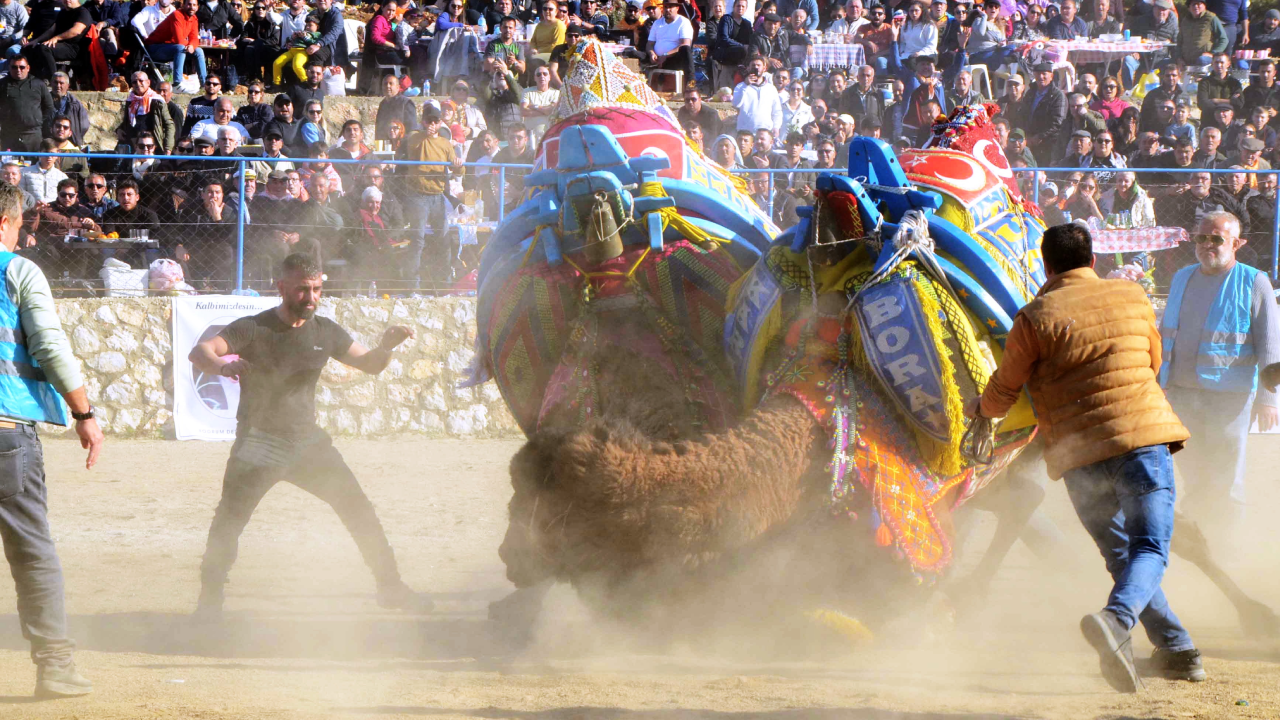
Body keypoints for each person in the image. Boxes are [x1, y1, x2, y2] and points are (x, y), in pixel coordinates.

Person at [966, 222, 1200, 694]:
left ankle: (1176, 649)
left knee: (1121, 553)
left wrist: (981, 411)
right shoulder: (1133, 296)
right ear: (1093, 260)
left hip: (1079, 454)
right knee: (1149, 549)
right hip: (1142, 440)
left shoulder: (1034, 317)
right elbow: (1153, 363)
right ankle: (1119, 623)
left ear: (1046, 265)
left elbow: (1005, 388)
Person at [189, 253, 426, 621]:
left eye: (316, 289)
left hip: (307, 444)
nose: (310, 297)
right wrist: (225, 364)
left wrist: (386, 347)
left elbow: (370, 365)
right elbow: (200, 351)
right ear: (282, 287)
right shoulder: (253, 327)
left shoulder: (325, 331)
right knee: (229, 524)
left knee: (358, 510)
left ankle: (390, 587)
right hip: (259, 443)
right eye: (302, 289)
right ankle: (208, 605)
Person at [0, 182, 103, 698]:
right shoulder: (17, 271)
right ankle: (55, 668)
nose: (21, 236)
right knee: (31, 552)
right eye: (19, 226)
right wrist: (84, 411)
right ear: (5, 222)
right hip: (5, 434)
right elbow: (48, 345)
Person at [1160, 211, 1280, 547]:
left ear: (1237, 243)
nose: (1208, 245)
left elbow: (1271, 341)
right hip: (1181, 394)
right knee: (1192, 472)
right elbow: (1166, 334)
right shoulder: (1182, 277)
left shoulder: (1254, 281)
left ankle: (1226, 547)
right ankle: (1200, 543)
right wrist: (1159, 384)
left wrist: (1268, 397)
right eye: (1202, 238)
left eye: (1217, 239)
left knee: (1227, 478)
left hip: (1228, 398)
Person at [398, 106, 463, 290]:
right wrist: (426, 134)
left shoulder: (445, 143)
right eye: (429, 121)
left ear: (440, 122)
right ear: (423, 121)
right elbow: (415, 151)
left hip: (437, 196)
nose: (432, 124)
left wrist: (458, 164)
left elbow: (459, 169)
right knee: (417, 239)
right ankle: (413, 286)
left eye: (436, 121)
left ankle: (445, 284)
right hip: (417, 196)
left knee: (443, 238)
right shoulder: (415, 138)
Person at [146, 0, 207, 86]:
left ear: (197, 7)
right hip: (155, 48)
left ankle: (205, 84)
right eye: (189, 4)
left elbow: (194, 38)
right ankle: (177, 83)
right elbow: (179, 39)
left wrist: (192, 45)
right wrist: (189, 45)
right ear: (183, 5)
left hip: (172, 47)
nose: (192, 7)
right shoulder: (177, 15)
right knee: (180, 48)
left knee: (199, 51)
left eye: (194, 5)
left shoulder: (194, 19)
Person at [0, 57, 53, 152]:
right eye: (14, 67)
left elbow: (49, 107)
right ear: (9, 68)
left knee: (33, 164)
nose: (18, 70)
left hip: (33, 134)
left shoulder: (39, 84)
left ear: (28, 68)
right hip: (9, 134)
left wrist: (38, 121)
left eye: (22, 67)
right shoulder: (2, 84)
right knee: (9, 165)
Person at [1025, 61, 1066, 159]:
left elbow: (1057, 123)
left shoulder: (1057, 95)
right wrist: (1026, 136)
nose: (1041, 77)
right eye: (1038, 74)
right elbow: (1023, 115)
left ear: (1051, 76)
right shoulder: (1030, 93)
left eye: (1044, 74)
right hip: (1028, 140)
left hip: (1049, 143)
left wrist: (1040, 137)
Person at [733, 55, 782, 136]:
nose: (756, 67)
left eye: (758, 65)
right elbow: (736, 104)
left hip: (765, 133)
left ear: (764, 68)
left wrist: (776, 127)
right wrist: (745, 85)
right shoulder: (740, 86)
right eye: (753, 65)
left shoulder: (771, 88)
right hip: (745, 133)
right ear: (748, 68)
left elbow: (777, 111)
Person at [646, 0, 694, 82]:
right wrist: (651, 54)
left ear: (677, 8)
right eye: (665, 7)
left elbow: (685, 44)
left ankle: (691, 85)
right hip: (657, 59)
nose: (667, 9)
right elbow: (649, 44)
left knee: (686, 49)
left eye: (671, 7)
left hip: (674, 59)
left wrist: (665, 55)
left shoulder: (683, 22)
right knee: (632, 53)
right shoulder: (657, 23)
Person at [274, 12, 321, 86]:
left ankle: (305, 82)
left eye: (310, 25)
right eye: (306, 25)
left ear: (317, 27)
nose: (308, 27)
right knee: (277, 63)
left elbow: (313, 42)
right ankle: (277, 83)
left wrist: (304, 37)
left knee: (296, 65)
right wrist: (292, 37)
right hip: (292, 50)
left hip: (302, 51)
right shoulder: (303, 31)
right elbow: (288, 40)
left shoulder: (317, 34)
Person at [1176, 0, 1228, 67]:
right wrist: (1179, 58)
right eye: (1193, 4)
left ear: (1204, 5)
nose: (1196, 6)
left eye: (1198, 4)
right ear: (1189, 7)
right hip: (1185, 60)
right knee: (1165, 62)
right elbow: (1179, 42)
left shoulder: (1211, 18)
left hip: (1204, 60)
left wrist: (1213, 54)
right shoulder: (1185, 21)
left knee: (1202, 60)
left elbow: (1223, 39)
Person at [713, 0, 751, 91]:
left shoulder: (747, 24)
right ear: (734, 7)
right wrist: (741, 46)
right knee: (725, 91)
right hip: (727, 56)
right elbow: (724, 38)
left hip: (742, 59)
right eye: (738, 6)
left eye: (743, 6)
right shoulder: (726, 19)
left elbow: (750, 41)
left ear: (746, 9)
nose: (740, 8)